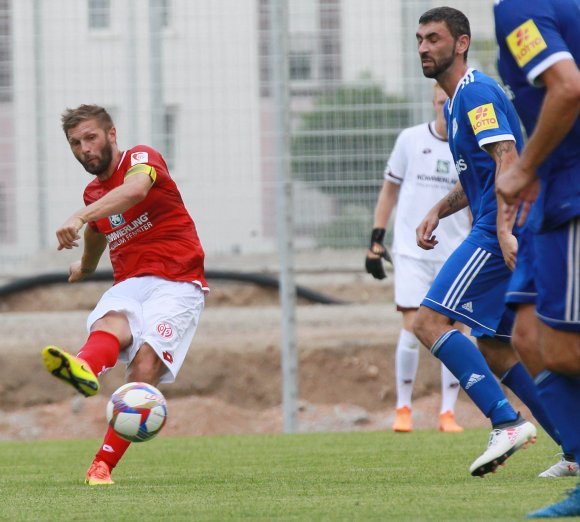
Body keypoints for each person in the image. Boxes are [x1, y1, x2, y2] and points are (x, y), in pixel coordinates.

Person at [411, 6, 566, 478]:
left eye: (434, 38)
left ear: (460, 43)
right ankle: (575, 447)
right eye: (419, 39)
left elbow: (507, 156)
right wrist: (438, 208)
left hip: (502, 229)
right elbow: (479, 176)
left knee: (429, 321)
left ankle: (505, 421)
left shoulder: (476, 92)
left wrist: (501, 228)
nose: (423, 47)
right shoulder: (456, 102)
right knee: (500, 347)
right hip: (503, 223)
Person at [41, 104, 208, 486]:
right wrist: (84, 266)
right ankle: (84, 367)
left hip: (178, 280)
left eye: (90, 137)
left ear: (111, 135)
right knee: (110, 321)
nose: (84, 148)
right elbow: (99, 231)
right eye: (75, 143)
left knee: (144, 366)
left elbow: (134, 191)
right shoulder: (94, 192)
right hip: (131, 281)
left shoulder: (141, 159)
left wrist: (79, 216)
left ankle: (102, 465)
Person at [494, 0, 580, 516]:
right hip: (550, 193)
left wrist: (524, 167)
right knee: (525, 335)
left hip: (571, 190)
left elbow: (567, 87)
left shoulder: (521, 7)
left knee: (564, 349)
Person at [366, 83, 470, 434]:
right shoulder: (410, 140)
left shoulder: (468, 147)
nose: (446, 110)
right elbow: (389, 191)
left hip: (454, 253)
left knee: (454, 330)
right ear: (433, 101)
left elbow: (476, 200)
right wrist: (376, 239)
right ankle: (404, 407)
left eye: (451, 104)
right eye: (441, 103)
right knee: (411, 326)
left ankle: (447, 412)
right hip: (412, 253)